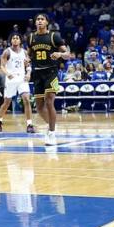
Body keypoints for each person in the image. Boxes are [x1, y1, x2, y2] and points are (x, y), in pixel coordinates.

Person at [28, 13, 69, 146]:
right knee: (39, 108)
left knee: (49, 101)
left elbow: (68, 54)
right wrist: (27, 60)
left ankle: (51, 133)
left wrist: (60, 54)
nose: (39, 21)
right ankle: (52, 126)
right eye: (37, 19)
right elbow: (30, 54)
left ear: (47, 22)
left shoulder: (53, 36)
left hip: (51, 72)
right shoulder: (31, 37)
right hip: (37, 74)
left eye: (42, 19)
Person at [0, 32, 34, 134]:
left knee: (26, 99)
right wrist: (7, 74)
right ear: (10, 40)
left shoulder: (25, 52)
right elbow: (2, 66)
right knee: (6, 102)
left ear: (20, 40)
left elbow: (28, 65)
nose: (15, 39)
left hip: (22, 79)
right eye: (13, 38)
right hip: (11, 79)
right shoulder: (6, 52)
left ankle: (29, 124)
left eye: (17, 38)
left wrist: (29, 73)